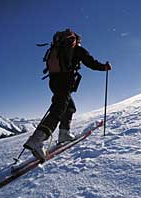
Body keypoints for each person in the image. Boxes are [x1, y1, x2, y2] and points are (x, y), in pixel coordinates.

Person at [24, 29, 112, 161]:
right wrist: (104, 67)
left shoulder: (58, 48)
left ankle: (64, 134)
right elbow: (91, 62)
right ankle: (38, 139)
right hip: (65, 81)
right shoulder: (76, 48)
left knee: (69, 107)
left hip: (54, 81)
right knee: (59, 108)